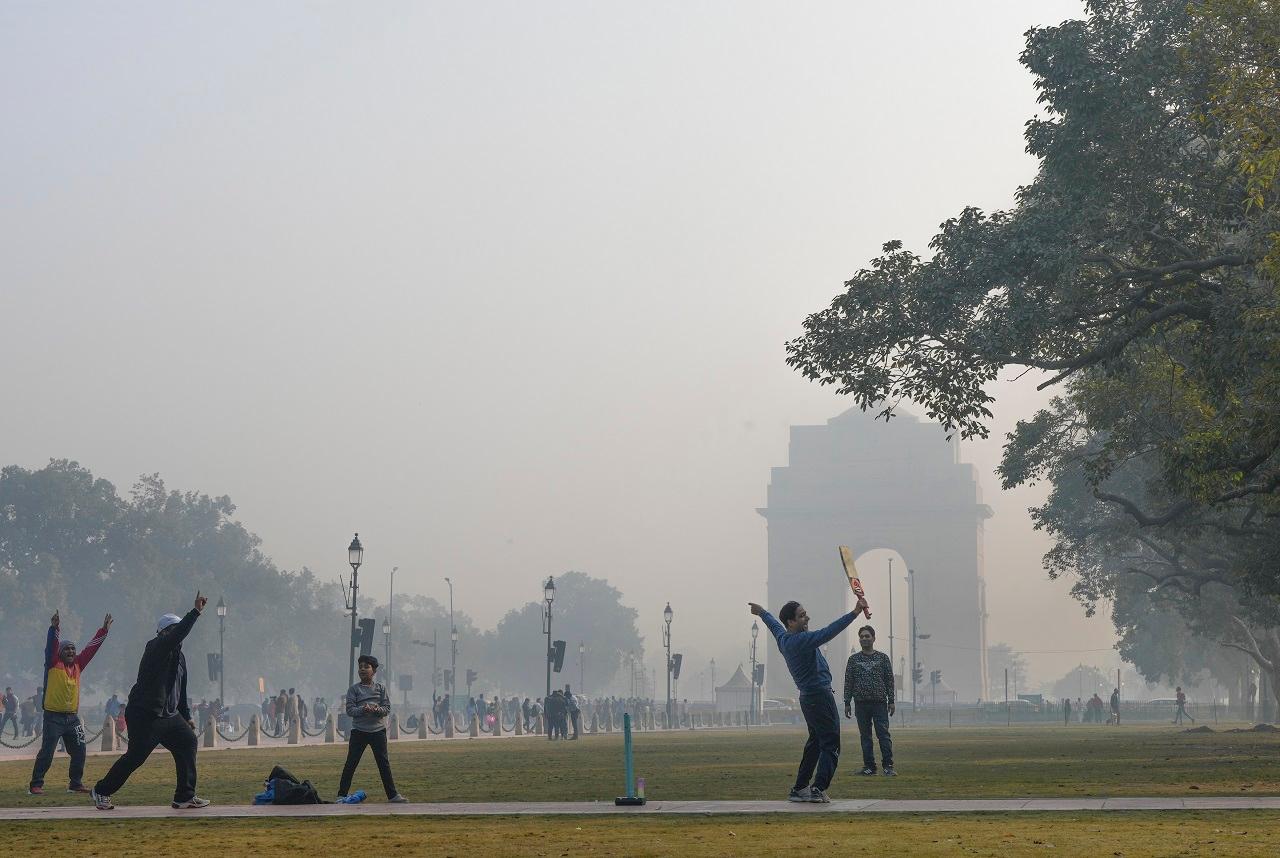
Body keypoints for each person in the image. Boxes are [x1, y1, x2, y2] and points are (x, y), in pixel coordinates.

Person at [92, 591, 210, 811]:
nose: (177, 634)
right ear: (163, 633)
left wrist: (186, 716)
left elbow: (180, 690)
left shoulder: (180, 657)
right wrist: (195, 612)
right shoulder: (156, 647)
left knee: (188, 743)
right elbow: (178, 634)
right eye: (172, 630)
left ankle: (184, 796)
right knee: (136, 757)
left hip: (169, 715)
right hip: (145, 713)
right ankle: (101, 791)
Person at [750, 594, 868, 803]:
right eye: (802, 616)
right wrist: (855, 613)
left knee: (815, 743)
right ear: (791, 622)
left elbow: (773, 625)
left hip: (808, 698)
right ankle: (818, 788)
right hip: (820, 696)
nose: (807, 618)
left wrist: (761, 612)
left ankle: (800, 788)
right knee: (831, 743)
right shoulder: (801, 641)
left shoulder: (783, 639)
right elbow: (829, 632)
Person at [29, 610, 112, 796]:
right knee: (47, 753)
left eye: (73, 649)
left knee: (80, 751)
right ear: (59, 652)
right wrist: (55, 628)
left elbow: (91, 649)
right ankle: (36, 784)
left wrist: (103, 631)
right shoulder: (52, 663)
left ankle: (75, 783)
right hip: (53, 717)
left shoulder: (78, 665)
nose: (71, 651)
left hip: (72, 719)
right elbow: (51, 646)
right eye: (67, 649)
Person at [337, 655, 407, 803]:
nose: (362, 669)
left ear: (374, 671)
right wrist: (363, 709)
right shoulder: (354, 690)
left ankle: (393, 795)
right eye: (360, 667)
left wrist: (376, 709)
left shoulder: (380, 688)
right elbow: (350, 710)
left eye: (366, 667)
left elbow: (386, 708)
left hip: (378, 732)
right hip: (359, 732)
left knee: (383, 764)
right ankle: (341, 795)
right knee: (351, 763)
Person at [842, 625, 895, 776]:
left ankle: (888, 766)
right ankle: (869, 767)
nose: (864, 639)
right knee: (865, 737)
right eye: (862, 636)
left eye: (867, 636)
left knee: (883, 735)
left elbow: (889, 680)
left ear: (873, 638)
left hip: (879, 703)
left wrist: (891, 701)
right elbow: (848, 681)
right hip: (861, 704)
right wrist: (847, 702)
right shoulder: (853, 660)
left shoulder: (883, 658)